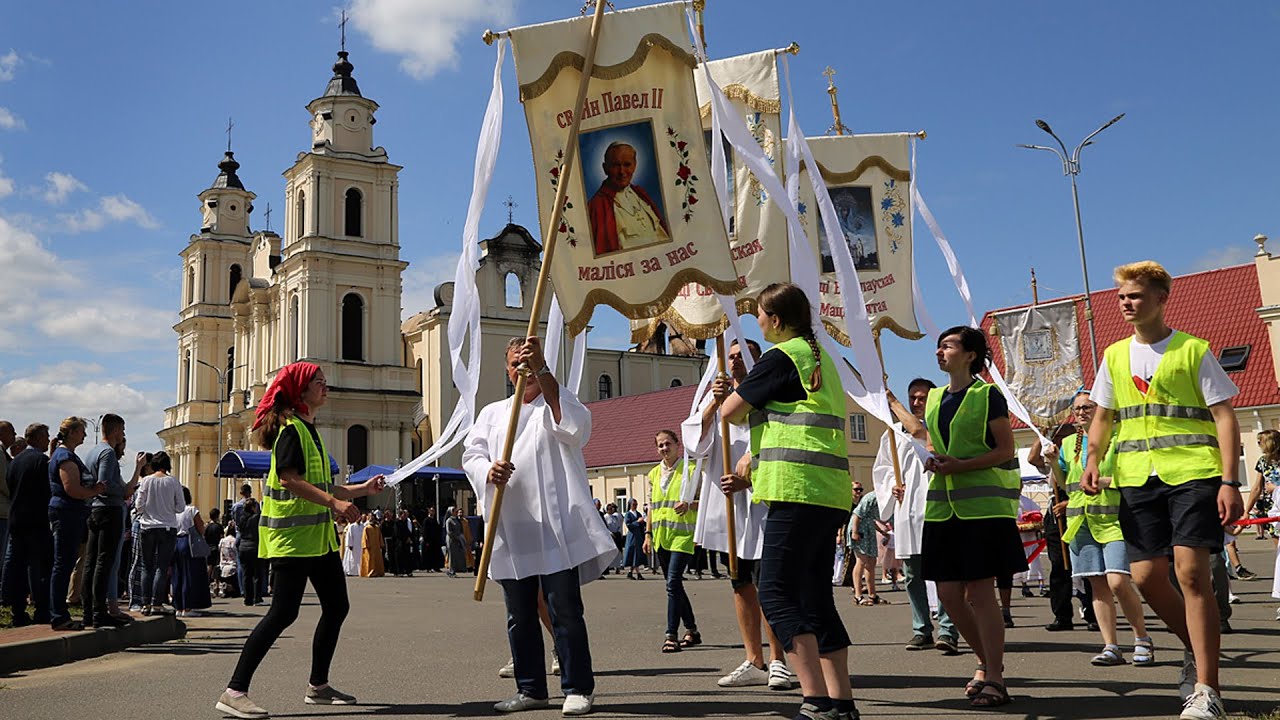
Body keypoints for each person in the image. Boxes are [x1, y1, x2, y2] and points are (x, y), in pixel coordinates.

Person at [1082, 261, 1244, 720]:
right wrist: (1093, 459)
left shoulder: (1193, 350)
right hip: (1136, 478)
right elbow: (1102, 417)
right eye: (1121, 297)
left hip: (1193, 473)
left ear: (1160, 298)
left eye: (1135, 295)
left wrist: (1229, 480)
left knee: (1192, 575)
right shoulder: (1114, 356)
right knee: (1147, 577)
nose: (1126, 303)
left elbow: (1225, 416)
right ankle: (1197, 650)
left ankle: (1207, 689)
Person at [216, 361, 386, 719]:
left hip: (316, 541)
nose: (327, 387)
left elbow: (325, 487)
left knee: (337, 606)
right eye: (319, 383)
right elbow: (290, 479)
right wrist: (335, 503)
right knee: (282, 613)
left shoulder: (310, 431)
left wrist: (360, 490)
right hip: (292, 542)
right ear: (301, 392)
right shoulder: (291, 431)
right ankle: (234, 691)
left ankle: (318, 686)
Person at [719, 283, 858, 720]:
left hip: (795, 489)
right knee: (816, 599)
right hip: (828, 491)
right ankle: (841, 703)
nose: (756, 321)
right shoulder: (820, 358)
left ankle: (815, 700)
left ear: (775, 320)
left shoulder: (782, 356)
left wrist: (733, 390)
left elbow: (730, 412)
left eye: (759, 315)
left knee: (776, 596)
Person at [463, 336, 616, 716]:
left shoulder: (559, 400)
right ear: (506, 368)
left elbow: (575, 430)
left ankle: (578, 687)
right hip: (512, 529)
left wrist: (544, 372)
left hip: (555, 527)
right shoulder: (493, 413)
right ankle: (531, 688)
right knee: (519, 615)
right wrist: (488, 470)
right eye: (516, 363)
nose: (522, 370)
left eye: (528, 363)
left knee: (563, 609)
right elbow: (472, 454)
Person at [919, 326, 1027, 709]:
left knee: (980, 593)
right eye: (938, 346)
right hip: (942, 508)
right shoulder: (932, 398)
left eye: (947, 346)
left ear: (969, 355)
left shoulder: (988, 395)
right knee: (948, 594)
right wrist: (935, 458)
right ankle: (985, 661)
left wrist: (961, 466)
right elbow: (932, 440)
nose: (939, 351)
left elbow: (1005, 450)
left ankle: (994, 675)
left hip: (983, 509)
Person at [690, 337, 796, 690]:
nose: (734, 361)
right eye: (730, 356)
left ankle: (780, 659)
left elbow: (781, 443)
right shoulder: (718, 398)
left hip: (762, 505)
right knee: (740, 584)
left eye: (742, 356)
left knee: (770, 587)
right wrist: (711, 408)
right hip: (729, 510)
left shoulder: (772, 397)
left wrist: (748, 477)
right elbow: (694, 443)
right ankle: (754, 659)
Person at [1031, 390, 1153, 667]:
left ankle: (1142, 638)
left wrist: (1104, 482)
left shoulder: (1118, 438)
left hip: (1115, 521)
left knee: (1118, 582)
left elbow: (1133, 476)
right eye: (1077, 408)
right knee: (1097, 586)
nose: (1082, 412)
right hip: (1080, 522)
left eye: (1088, 407)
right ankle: (1111, 645)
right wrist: (1051, 462)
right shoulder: (1068, 444)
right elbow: (1064, 485)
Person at [873, 379, 960, 654]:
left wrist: (891, 400)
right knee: (912, 574)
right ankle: (921, 628)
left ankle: (948, 629)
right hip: (907, 510)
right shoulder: (891, 433)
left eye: (922, 397)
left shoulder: (939, 427)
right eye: (912, 397)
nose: (917, 402)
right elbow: (883, 468)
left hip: (936, 506)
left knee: (944, 571)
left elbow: (920, 434)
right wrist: (891, 487)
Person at [642, 429, 701, 654]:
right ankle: (692, 630)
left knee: (672, 583)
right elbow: (651, 508)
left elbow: (705, 502)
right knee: (674, 585)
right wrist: (648, 535)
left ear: (678, 445)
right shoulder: (653, 474)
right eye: (660, 445)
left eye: (668, 444)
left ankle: (671, 634)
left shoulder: (692, 471)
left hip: (683, 536)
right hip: (661, 538)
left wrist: (689, 504)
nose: (664, 449)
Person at [80, 414, 141, 628]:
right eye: (122, 430)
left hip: (95, 509)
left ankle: (88, 611)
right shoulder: (107, 453)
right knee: (103, 563)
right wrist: (123, 491)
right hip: (108, 510)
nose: (123, 435)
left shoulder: (93, 451)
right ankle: (99, 612)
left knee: (91, 562)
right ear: (115, 430)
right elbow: (103, 483)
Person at [48, 417, 104, 631]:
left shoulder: (65, 454)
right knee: (63, 565)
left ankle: (58, 613)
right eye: (82, 431)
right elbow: (72, 488)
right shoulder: (65, 457)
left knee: (64, 564)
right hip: (67, 512)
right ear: (71, 433)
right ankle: (59, 615)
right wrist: (95, 491)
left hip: (69, 512)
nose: (85, 435)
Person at [1, 423, 53, 626]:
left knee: (17, 565)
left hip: (16, 518)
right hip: (36, 519)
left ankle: (18, 610)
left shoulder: (16, 461)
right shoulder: (41, 461)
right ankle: (41, 610)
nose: (48, 440)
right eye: (46, 436)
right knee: (39, 567)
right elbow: (47, 489)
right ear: (38, 438)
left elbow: (10, 486)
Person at [587, 142, 670, 255]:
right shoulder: (597, 206)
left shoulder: (640, 194)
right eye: (616, 165)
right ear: (605, 168)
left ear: (635, 165)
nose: (622, 172)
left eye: (627, 165)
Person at [134, 451, 184, 615]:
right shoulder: (173, 482)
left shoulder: (146, 481)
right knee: (161, 568)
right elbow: (180, 507)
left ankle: (145, 603)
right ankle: (157, 603)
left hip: (147, 527)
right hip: (167, 527)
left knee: (146, 567)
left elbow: (138, 505)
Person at [171, 485, 212, 617]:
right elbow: (200, 528)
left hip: (175, 542)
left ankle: (178, 606)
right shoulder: (191, 510)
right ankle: (188, 607)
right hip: (188, 542)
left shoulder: (172, 511)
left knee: (178, 575)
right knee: (190, 575)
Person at [849, 483, 884, 605]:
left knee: (871, 562)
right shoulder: (871, 497)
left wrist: (882, 532)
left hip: (869, 529)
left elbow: (873, 518)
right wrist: (855, 532)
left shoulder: (887, 499)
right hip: (859, 529)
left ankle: (872, 595)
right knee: (861, 560)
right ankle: (858, 595)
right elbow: (857, 515)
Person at [238, 497, 262, 606]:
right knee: (257, 574)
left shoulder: (241, 519)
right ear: (252, 508)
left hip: (243, 547)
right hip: (254, 546)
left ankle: (247, 598)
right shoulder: (256, 518)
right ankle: (257, 597)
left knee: (246, 574)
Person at [621, 499, 646, 579]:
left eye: (636, 504)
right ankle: (638, 573)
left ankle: (630, 572)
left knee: (636, 555)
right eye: (634, 504)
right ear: (630, 505)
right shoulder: (628, 514)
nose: (635, 506)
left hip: (638, 537)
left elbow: (642, 525)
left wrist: (643, 522)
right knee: (633, 554)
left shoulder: (638, 513)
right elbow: (628, 525)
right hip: (632, 537)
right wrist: (637, 522)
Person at [444, 507, 467, 577]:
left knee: (456, 555)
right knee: (452, 556)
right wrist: (456, 537)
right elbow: (449, 532)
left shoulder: (457, 520)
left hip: (457, 539)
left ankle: (455, 569)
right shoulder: (449, 520)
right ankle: (451, 571)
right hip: (451, 540)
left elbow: (460, 529)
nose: (456, 512)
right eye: (454, 511)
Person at [602, 504, 624, 574]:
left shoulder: (615, 517)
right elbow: (605, 527)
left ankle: (618, 567)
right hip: (610, 536)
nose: (612, 510)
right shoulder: (605, 517)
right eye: (610, 509)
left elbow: (618, 525)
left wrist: (619, 532)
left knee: (618, 551)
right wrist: (610, 533)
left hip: (616, 535)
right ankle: (609, 567)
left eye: (612, 508)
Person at [421, 507, 443, 572]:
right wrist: (426, 540)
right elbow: (425, 531)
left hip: (435, 541)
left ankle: (436, 567)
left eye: (433, 511)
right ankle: (428, 568)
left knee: (435, 554)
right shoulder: (426, 520)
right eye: (431, 511)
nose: (432, 512)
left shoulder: (435, 520)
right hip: (429, 541)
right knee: (428, 555)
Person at [342, 512, 363, 577]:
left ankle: (359, 571)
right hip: (353, 545)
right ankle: (351, 571)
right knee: (352, 559)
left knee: (359, 558)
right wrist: (349, 544)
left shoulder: (363, 526)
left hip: (360, 545)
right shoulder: (352, 526)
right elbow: (349, 536)